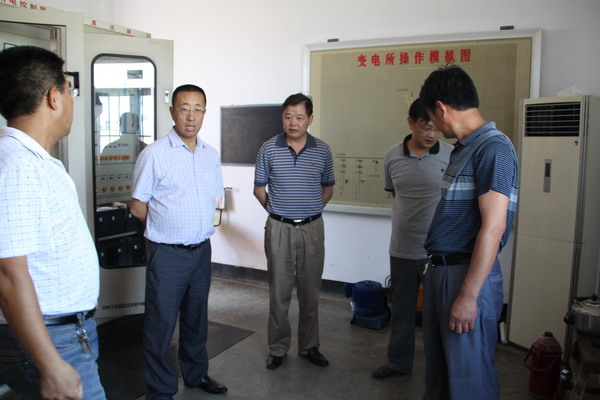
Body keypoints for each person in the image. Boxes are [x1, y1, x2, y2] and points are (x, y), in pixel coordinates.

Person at [0, 46, 105, 400]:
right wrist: (50, 364)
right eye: (70, 90)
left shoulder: (30, 160)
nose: (72, 100)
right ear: (53, 97)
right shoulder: (18, 165)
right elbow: (8, 272)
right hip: (52, 339)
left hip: (63, 333)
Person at [419, 65, 519, 400]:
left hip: (466, 276)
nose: (435, 126)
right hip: (444, 271)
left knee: (468, 380)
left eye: (432, 117)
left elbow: (494, 227)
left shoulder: (494, 148)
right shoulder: (465, 147)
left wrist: (468, 296)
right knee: (441, 375)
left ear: (442, 108)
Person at [130, 84, 226, 399]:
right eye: (184, 108)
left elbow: (211, 200)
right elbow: (137, 206)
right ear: (172, 112)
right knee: (160, 325)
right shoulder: (154, 154)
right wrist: (165, 228)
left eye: (198, 109)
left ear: (204, 113)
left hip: (201, 252)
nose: (191, 116)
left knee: (197, 319)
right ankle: (160, 389)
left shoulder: (210, 155)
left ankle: (196, 375)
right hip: (167, 254)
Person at [253, 93, 335, 370]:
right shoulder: (268, 148)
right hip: (279, 228)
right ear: (282, 118)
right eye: (288, 116)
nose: (293, 122)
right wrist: (277, 212)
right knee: (279, 294)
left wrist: (311, 210)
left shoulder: (322, 150)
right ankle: (278, 348)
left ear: (310, 119)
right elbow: (259, 189)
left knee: (310, 293)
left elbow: (328, 188)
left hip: (312, 229)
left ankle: (309, 346)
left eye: (299, 117)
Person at [372, 98, 452, 380]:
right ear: (410, 123)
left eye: (436, 128)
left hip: (437, 252)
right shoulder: (391, 156)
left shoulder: (451, 154)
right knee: (401, 312)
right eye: (425, 127)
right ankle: (398, 363)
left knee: (438, 316)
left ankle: (441, 373)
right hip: (402, 249)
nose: (432, 134)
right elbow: (394, 194)